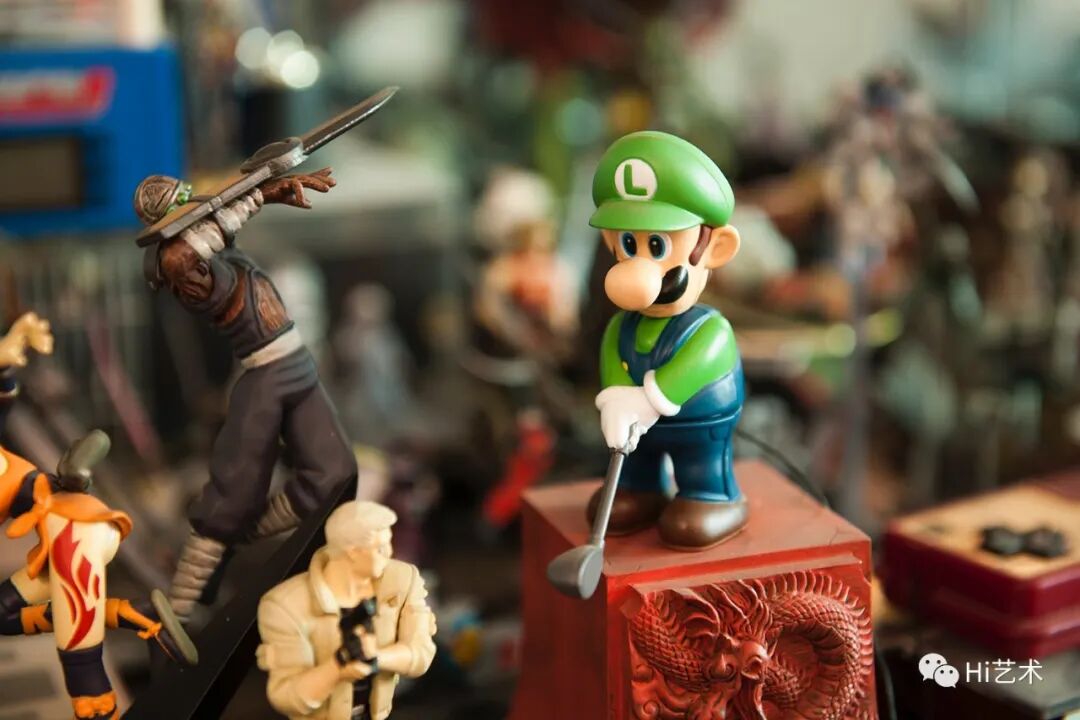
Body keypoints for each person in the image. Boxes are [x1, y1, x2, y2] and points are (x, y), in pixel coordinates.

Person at [132, 170, 358, 621]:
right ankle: (178, 612)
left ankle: (238, 538)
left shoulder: (215, 250)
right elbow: (192, 249)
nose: (202, 218)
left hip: (298, 365)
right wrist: (256, 198)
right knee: (230, 500)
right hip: (266, 376)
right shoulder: (184, 265)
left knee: (334, 476)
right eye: (190, 217)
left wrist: (265, 193)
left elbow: (219, 231)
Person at [0, 313, 195, 720]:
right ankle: (132, 614)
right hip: (57, 522)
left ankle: (95, 700)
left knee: (73, 551)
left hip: (70, 522)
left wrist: (4, 365)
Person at [588, 131, 747, 550]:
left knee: (701, 474)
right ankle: (641, 488)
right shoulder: (620, 327)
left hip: (699, 427)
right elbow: (613, 359)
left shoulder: (711, 330)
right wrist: (616, 400)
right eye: (629, 244)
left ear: (714, 248)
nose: (637, 266)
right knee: (634, 468)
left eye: (656, 246)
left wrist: (649, 399)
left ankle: (713, 497)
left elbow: (698, 365)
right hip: (639, 434)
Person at [256, 501, 436, 720]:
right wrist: (337, 668)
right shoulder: (285, 605)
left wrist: (376, 657)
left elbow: (421, 654)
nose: (389, 554)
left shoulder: (402, 580)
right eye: (380, 549)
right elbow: (287, 696)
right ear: (353, 552)